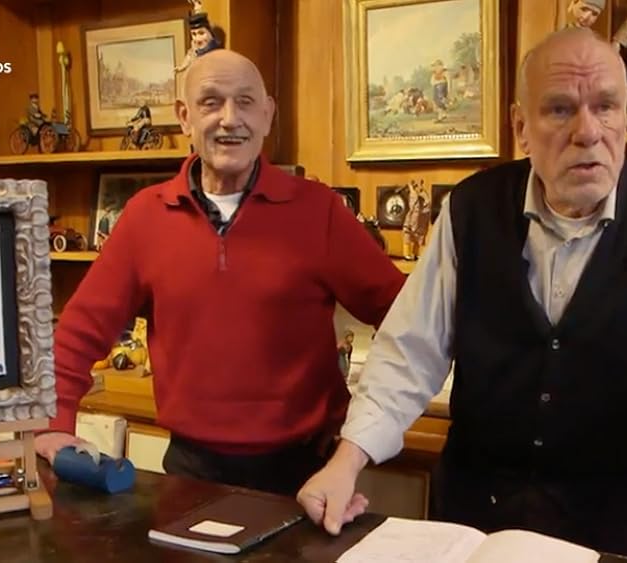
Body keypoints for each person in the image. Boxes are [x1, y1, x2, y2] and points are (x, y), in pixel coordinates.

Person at [297, 28, 627, 562]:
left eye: (606, 107)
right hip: (472, 520)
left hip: (607, 525)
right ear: (521, 128)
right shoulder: (470, 211)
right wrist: (346, 463)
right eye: (560, 109)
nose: (588, 132)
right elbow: (407, 354)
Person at [36, 48, 406, 497]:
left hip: (306, 471)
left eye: (246, 102)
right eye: (211, 102)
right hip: (191, 469)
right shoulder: (144, 217)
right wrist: (54, 427)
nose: (230, 119)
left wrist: (361, 429)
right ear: (184, 117)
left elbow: (405, 319)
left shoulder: (319, 210)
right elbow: (80, 333)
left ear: (267, 115)